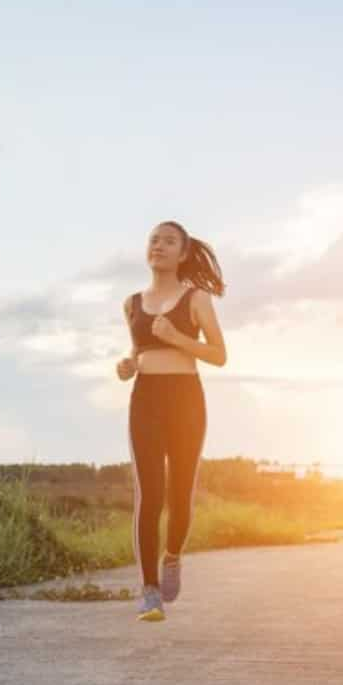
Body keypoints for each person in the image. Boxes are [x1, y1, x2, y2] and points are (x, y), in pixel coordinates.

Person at [116, 220, 227, 622]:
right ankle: (149, 591)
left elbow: (219, 354)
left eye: (168, 241)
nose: (158, 245)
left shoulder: (195, 299)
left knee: (181, 494)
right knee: (150, 495)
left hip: (186, 399)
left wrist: (176, 337)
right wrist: (127, 365)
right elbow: (136, 350)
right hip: (145, 399)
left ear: (183, 253)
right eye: (153, 240)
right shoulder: (131, 303)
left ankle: (174, 555)